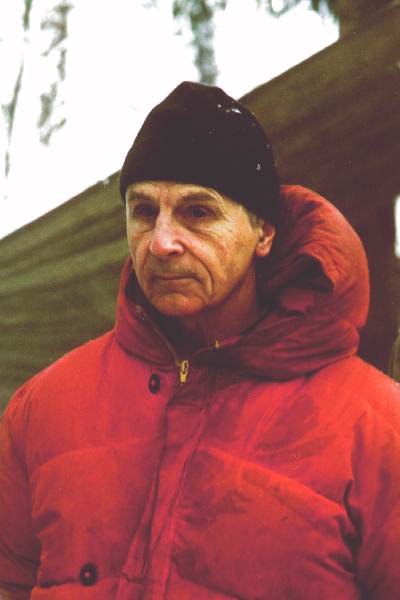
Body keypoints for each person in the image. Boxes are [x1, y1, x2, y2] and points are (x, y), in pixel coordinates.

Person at [0, 81, 399, 600]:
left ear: (263, 232)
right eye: (144, 212)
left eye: (198, 212)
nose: (161, 242)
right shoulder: (43, 408)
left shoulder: (376, 428)